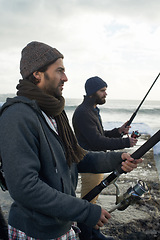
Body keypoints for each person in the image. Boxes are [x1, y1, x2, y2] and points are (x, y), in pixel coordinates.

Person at [0, 41, 142, 240]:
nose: (65, 78)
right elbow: (25, 188)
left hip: (64, 226)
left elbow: (76, 157)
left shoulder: (53, 113)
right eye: (59, 71)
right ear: (37, 73)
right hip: (36, 233)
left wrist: (119, 159)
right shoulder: (17, 116)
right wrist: (86, 211)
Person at [72, 76, 138, 239]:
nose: (105, 94)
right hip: (90, 163)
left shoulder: (91, 110)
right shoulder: (83, 112)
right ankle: (87, 235)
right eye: (102, 91)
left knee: (91, 201)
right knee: (88, 203)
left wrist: (119, 131)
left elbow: (99, 134)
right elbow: (97, 141)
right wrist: (125, 142)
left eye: (105, 90)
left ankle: (92, 232)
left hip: (96, 162)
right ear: (91, 92)